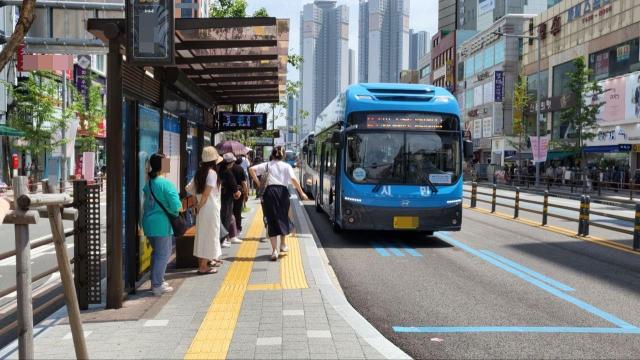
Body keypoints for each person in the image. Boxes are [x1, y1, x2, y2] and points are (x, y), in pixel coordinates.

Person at [249, 146, 308, 261]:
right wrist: (301, 193)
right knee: (283, 218)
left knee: (271, 220)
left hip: (269, 193)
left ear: (272, 154)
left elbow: (251, 169)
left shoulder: (267, 165)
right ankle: (283, 244)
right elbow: (294, 179)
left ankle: (274, 251)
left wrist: (259, 183)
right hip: (282, 193)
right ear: (283, 155)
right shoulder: (286, 166)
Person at [142, 153, 182, 296]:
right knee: (163, 254)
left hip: (148, 223)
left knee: (156, 254)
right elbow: (177, 206)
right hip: (162, 224)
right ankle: (157, 284)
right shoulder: (166, 184)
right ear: (163, 165)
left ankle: (157, 280)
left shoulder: (149, 183)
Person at [186, 146, 223, 275]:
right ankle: (203, 266)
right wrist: (198, 206)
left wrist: (196, 204)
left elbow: (189, 188)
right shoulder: (212, 173)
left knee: (202, 235)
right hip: (209, 207)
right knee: (210, 235)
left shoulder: (199, 173)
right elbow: (207, 194)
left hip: (202, 209)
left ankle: (203, 264)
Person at [219, 153, 242, 247]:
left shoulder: (218, 170)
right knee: (226, 218)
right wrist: (238, 193)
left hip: (218, 197)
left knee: (223, 218)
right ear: (231, 162)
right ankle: (222, 240)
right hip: (227, 199)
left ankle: (224, 238)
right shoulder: (228, 172)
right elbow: (234, 187)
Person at [232, 155, 249, 233]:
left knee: (230, 212)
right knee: (238, 211)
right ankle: (238, 228)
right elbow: (244, 183)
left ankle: (230, 230)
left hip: (229, 193)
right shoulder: (240, 169)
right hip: (239, 192)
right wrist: (246, 193)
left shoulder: (226, 168)